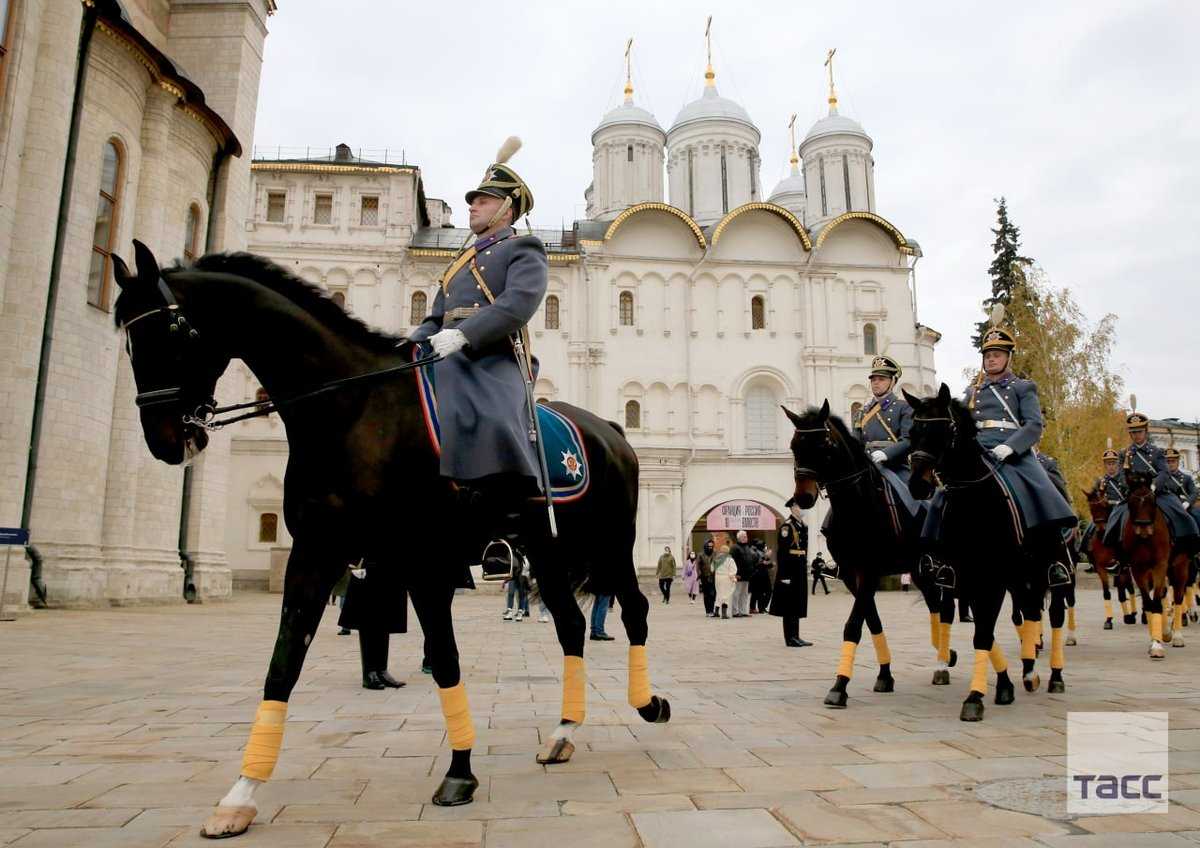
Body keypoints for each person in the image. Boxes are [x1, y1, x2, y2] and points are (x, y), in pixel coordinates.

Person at [407, 137, 548, 550]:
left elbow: (518, 303)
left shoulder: (524, 248)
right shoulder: (458, 264)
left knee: (495, 419)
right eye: (473, 200)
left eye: (483, 201)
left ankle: (503, 530)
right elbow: (434, 317)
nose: (472, 206)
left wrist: (465, 335)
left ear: (507, 209)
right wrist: (411, 344)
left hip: (494, 357)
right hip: (443, 352)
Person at [943, 318, 1076, 586]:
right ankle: (944, 561)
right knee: (943, 495)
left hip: (1012, 452)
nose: (991, 360)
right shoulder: (972, 392)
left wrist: (1011, 447)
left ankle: (1056, 561)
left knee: (1042, 490)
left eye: (997, 355)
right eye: (988, 355)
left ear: (1008, 357)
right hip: (978, 451)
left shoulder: (1022, 388)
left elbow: (1034, 426)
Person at [1104, 412, 1200, 552]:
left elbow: (1164, 472)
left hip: (1158, 493)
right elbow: (1121, 475)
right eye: (1134, 432)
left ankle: (1187, 546)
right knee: (1114, 516)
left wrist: (1154, 486)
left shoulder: (1156, 452)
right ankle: (1116, 554)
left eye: (1140, 431)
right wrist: (1129, 488)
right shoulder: (1125, 454)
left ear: (1146, 431)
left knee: (1181, 514)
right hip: (1134, 495)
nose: (1137, 435)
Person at [337, 559, 408, 690]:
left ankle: (382, 671)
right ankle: (369, 673)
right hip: (369, 568)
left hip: (391, 569)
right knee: (367, 621)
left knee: (385, 620)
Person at [853, 354, 914, 484]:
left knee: (911, 499)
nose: (876, 383)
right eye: (873, 379)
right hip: (867, 466)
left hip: (894, 466)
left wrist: (886, 454)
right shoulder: (862, 412)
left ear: (893, 382)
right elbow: (855, 443)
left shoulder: (904, 407)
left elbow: (908, 440)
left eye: (881, 379)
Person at [771, 499, 811, 646]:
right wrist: (784, 575)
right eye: (801, 506)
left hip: (798, 568)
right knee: (789, 605)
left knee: (797, 603)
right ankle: (790, 638)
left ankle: (796, 635)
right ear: (793, 508)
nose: (803, 509)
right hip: (790, 571)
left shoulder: (801, 525)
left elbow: (803, 548)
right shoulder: (787, 527)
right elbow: (782, 553)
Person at [729, 531, 757, 617]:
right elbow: (731, 561)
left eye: (746, 536)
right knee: (736, 594)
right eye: (744, 536)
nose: (746, 537)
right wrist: (734, 573)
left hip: (747, 575)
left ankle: (744, 611)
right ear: (739, 538)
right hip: (738, 575)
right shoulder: (734, 548)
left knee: (744, 594)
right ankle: (735, 612)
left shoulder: (747, 547)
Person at [713, 545, 737, 619]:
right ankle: (724, 614)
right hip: (726, 578)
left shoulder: (716, 558)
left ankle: (716, 611)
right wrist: (733, 578)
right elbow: (733, 569)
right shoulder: (729, 559)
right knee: (725, 596)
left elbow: (712, 568)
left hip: (717, 578)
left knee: (719, 593)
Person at [750, 539, 772, 614]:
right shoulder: (756, 553)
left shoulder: (761, 552)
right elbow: (759, 564)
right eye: (764, 545)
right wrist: (766, 558)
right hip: (759, 575)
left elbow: (767, 563)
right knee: (759, 592)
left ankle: (761, 607)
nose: (766, 547)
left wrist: (769, 563)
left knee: (761, 592)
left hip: (763, 574)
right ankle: (760, 608)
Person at [697, 539, 717, 616]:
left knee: (713, 594)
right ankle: (708, 611)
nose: (710, 547)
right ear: (705, 546)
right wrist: (699, 574)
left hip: (713, 577)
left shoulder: (715, 554)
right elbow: (698, 566)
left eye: (712, 546)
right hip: (704, 577)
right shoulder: (701, 555)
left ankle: (712, 610)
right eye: (709, 546)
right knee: (706, 594)